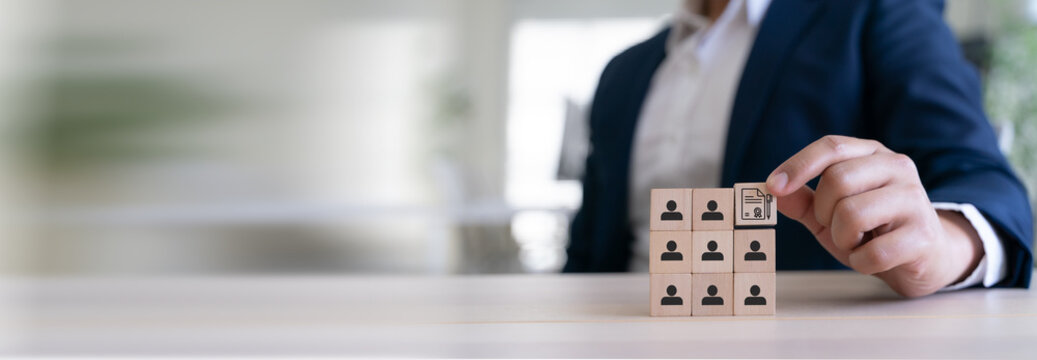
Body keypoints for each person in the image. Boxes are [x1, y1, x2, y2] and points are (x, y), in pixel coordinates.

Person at [564, 0, 1034, 297]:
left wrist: (943, 247)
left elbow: (980, 172)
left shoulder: (880, 11)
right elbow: (587, 250)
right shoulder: (623, 73)